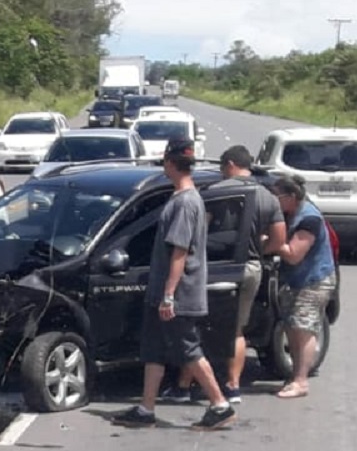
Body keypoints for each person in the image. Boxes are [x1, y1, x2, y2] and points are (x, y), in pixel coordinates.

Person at [112, 138, 236, 431]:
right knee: (154, 349)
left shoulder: (185, 202)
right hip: (161, 292)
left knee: (187, 349)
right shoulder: (184, 198)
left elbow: (179, 252)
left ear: (169, 162)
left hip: (178, 295)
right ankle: (146, 409)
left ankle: (220, 405)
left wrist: (169, 295)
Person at [161, 145, 287, 404]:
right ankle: (233, 386)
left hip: (215, 268)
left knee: (201, 329)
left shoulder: (214, 193)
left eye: (221, 167)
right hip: (251, 267)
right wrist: (255, 250)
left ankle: (185, 385)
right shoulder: (268, 197)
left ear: (230, 164)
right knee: (237, 328)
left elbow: (198, 232)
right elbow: (278, 240)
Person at [271, 174, 336, 399]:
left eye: (276, 197)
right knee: (291, 326)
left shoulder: (309, 219)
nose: (274, 201)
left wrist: (270, 242)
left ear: (291, 197)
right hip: (295, 281)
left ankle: (301, 381)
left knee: (304, 329)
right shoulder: (292, 215)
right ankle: (294, 377)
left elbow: (293, 255)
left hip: (313, 281)